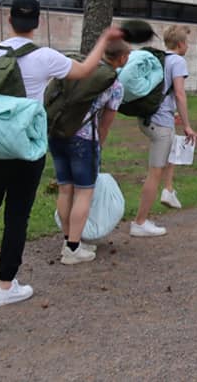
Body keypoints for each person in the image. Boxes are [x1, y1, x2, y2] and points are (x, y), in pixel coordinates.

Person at [0, 0, 124, 306]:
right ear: (37, 23)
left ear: (9, 20)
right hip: (26, 146)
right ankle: (5, 285)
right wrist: (103, 40)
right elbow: (84, 70)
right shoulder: (44, 57)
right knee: (17, 215)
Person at [52, 38, 130, 265]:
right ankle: (74, 249)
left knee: (65, 190)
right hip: (84, 141)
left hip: (57, 135)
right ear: (122, 58)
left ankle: (67, 239)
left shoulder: (79, 71)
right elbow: (105, 124)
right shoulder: (114, 86)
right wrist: (99, 146)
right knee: (84, 192)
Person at [130, 25, 197, 236]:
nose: (188, 46)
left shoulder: (161, 60)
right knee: (154, 172)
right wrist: (187, 124)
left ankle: (169, 190)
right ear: (180, 44)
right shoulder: (178, 61)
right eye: (187, 42)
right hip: (159, 122)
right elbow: (179, 94)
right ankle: (140, 222)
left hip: (150, 118)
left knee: (170, 150)